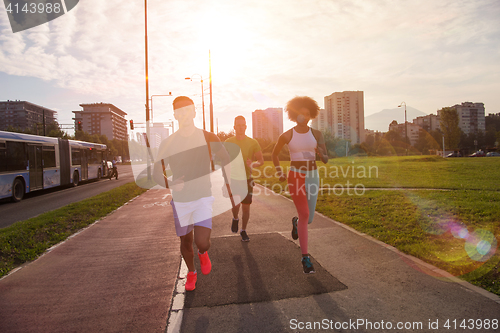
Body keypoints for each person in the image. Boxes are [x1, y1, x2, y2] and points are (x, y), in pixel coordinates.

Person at [153, 96, 229, 291]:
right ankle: (191, 272)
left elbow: (226, 158)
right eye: (179, 111)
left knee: (201, 241)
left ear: (194, 112)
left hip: (203, 196)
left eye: (187, 110)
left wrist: (229, 183)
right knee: (186, 242)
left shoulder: (209, 137)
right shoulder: (168, 143)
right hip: (181, 201)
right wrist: (170, 183)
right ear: (175, 115)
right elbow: (155, 173)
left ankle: (203, 253)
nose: (184, 114)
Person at [271, 96, 328, 274]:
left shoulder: (317, 134)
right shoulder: (287, 135)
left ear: (311, 115)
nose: (303, 116)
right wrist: (280, 172)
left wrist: (321, 154)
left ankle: (296, 222)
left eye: (306, 113)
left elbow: (326, 160)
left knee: (308, 219)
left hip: (312, 175)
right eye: (300, 113)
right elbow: (274, 155)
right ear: (294, 115)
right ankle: (305, 258)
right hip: (295, 175)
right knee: (304, 213)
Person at [225, 116, 264, 241]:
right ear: (234, 127)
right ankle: (235, 218)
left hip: (247, 179)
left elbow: (261, 160)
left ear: (246, 127)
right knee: (236, 205)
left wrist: (253, 164)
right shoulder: (228, 142)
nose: (240, 127)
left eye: (243, 125)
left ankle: (244, 230)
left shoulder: (253, 142)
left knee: (246, 207)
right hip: (233, 179)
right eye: (238, 125)